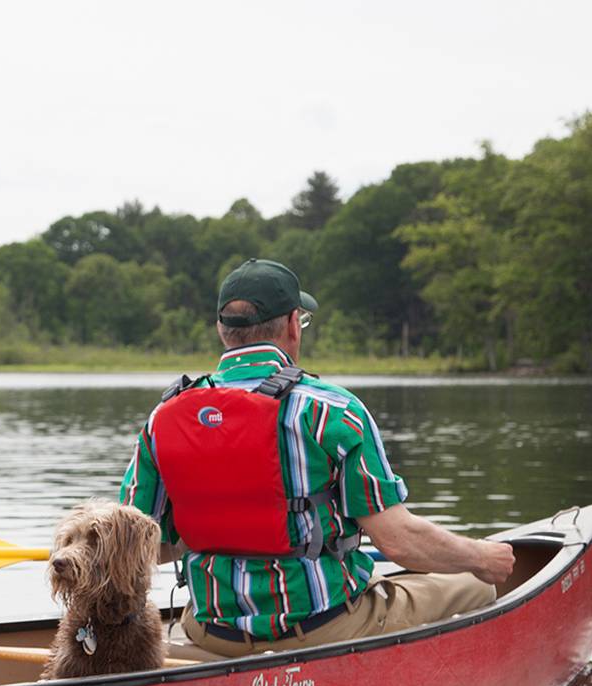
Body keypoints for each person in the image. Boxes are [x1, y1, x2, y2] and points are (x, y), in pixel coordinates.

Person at [119, 258, 514, 660]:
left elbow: (135, 549)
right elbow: (399, 542)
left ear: (223, 331)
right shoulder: (331, 410)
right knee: (476, 585)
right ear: (293, 324)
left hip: (213, 633)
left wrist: (207, 528)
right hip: (324, 626)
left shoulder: (163, 418)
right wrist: (482, 557)